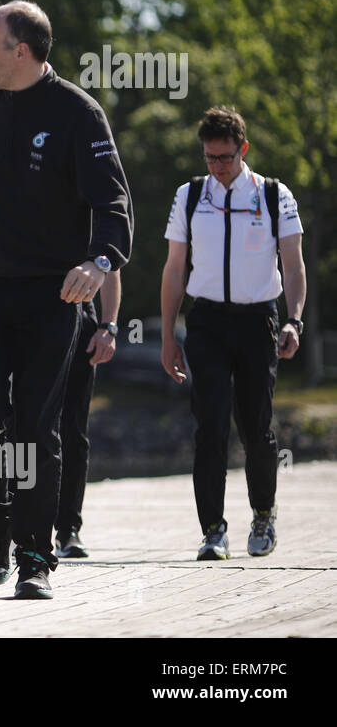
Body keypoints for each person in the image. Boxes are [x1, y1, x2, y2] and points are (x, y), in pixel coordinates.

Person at [0, 0, 133, 599]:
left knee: (38, 429)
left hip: (52, 296)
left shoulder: (78, 113)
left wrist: (98, 264)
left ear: (22, 51)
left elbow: (114, 208)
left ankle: (36, 558)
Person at [159, 106, 305, 560]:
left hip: (257, 320)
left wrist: (293, 319)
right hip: (206, 323)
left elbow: (294, 265)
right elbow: (175, 268)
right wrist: (167, 337)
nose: (217, 166)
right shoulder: (189, 195)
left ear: (243, 149)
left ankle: (263, 514)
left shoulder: (275, 195)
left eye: (224, 157)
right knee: (211, 425)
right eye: (209, 157)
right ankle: (213, 530)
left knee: (255, 425)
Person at [54, 271, 120, 559]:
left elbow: (112, 264)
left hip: (80, 314)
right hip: (29, 311)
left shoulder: (95, 223)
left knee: (73, 430)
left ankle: (68, 530)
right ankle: (20, 523)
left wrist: (108, 327)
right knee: (23, 425)